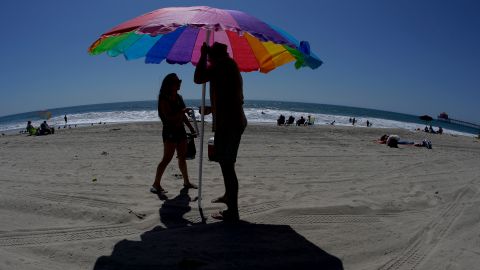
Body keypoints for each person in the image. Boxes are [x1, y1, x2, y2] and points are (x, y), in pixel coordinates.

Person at [194, 42, 247, 222]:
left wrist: (201, 55)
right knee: (225, 164)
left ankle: (233, 212)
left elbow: (198, 77)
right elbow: (230, 98)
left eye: (209, 56)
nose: (208, 60)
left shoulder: (222, 66)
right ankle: (228, 196)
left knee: (227, 166)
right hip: (231, 121)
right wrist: (211, 108)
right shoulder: (228, 66)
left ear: (213, 56)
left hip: (229, 124)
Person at [151, 73, 198, 195]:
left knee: (182, 157)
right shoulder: (163, 98)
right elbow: (169, 117)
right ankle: (156, 184)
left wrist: (192, 129)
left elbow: (183, 116)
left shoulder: (179, 97)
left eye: (179, 82)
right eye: (178, 82)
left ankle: (186, 182)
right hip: (169, 131)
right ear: (170, 84)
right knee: (167, 158)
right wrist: (182, 111)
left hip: (180, 130)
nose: (180, 84)